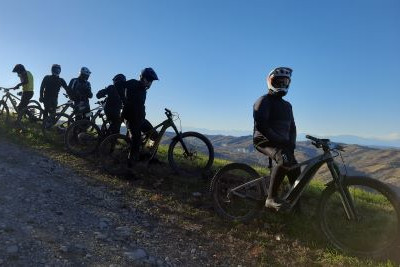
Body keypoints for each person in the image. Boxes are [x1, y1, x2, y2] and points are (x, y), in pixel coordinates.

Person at [253, 67, 300, 211]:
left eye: (285, 82)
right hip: (264, 141)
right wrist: (280, 142)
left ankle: (295, 204)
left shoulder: (287, 106)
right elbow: (262, 126)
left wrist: (291, 144)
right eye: (279, 82)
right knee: (283, 160)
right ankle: (271, 198)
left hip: (282, 144)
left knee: (296, 170)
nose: (282, 85)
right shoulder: (263, 101)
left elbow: (292, 127)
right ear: (271, 82)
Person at [122, 67, 158, 166]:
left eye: (152, 81)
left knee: (154, 135)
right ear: (143, 78)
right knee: (136, 140)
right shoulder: (133, 83)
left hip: (140, 119)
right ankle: (129, 166)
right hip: (130, 118)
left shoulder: (143, 90)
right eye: (149, 79)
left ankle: (148, 155)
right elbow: (119, 84)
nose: (151, 82)